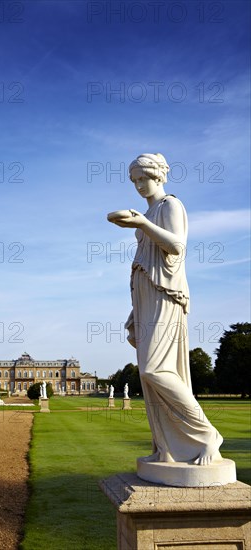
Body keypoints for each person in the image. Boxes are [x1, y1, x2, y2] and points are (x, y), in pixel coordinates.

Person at [107, 153, 223, 466]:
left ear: (158, 175)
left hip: (166, 294)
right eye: (134, 181)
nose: (139, 185)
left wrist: (142, 222)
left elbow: (177, 247)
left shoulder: (170, 205)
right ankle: (165, 448)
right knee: (148, 378)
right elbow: (145, 260)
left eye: (143, 178)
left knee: (155, 370)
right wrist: (135, 308)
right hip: (146, 294)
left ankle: (208, 435)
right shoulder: (147, 213)